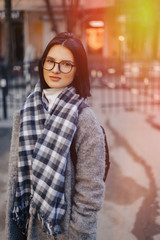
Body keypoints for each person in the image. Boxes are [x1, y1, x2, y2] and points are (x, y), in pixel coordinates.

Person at [5, 32, 108, 240]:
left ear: (78, 70)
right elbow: (15, 178)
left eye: (66, 64)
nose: (55, 70)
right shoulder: (27, 110)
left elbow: (90, 193)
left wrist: (78, 234)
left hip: (61, 232)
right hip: (26, 225)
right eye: (50, 61)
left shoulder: (84, 120)